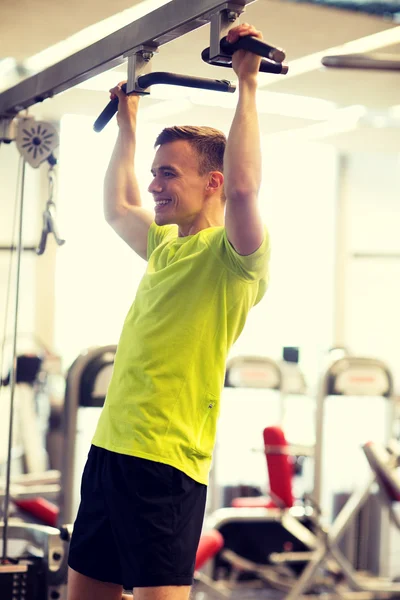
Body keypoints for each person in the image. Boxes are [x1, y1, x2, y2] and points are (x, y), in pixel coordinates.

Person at [67, 22, 270, 600]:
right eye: (155, 172)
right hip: (110, 451)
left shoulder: (234, 257)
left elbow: (246, 190)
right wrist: (127, 126)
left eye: (167, 174)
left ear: (212, 182)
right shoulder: (164, 247)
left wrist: (247, 85)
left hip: (165, 464)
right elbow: (117, 206)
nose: (154, 186)